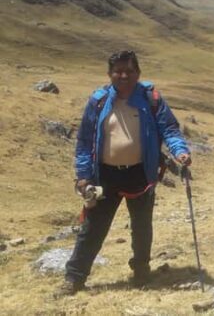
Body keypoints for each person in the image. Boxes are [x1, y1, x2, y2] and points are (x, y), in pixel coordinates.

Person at [58, 50, 191, 296]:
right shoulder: (98, 101)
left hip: (140, 174)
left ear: (138, 73)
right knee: (93, 228)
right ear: (109, 74)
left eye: (129, 71)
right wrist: (83, 175)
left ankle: (141, 271)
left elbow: (169, 129)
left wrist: (180, 151)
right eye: (118, 71)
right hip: (104, 176)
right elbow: (85, 141)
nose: (123, 75)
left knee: (142, 226)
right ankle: (74, 278)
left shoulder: (151, 99)